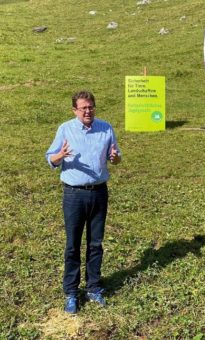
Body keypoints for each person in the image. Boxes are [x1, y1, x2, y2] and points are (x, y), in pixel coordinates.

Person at [46, 91, 122, 314]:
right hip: (74, 195)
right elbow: (50, 158)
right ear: (75, 110)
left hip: (99, 193)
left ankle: (93, 287)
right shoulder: (65, 129)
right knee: (72, 245)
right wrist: (60, 155)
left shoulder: (106, 128)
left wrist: (116, 158)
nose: (88, 111)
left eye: (91, 107)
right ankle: (71, 292)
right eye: (83, 108)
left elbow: (116, 157)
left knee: (96, 243)